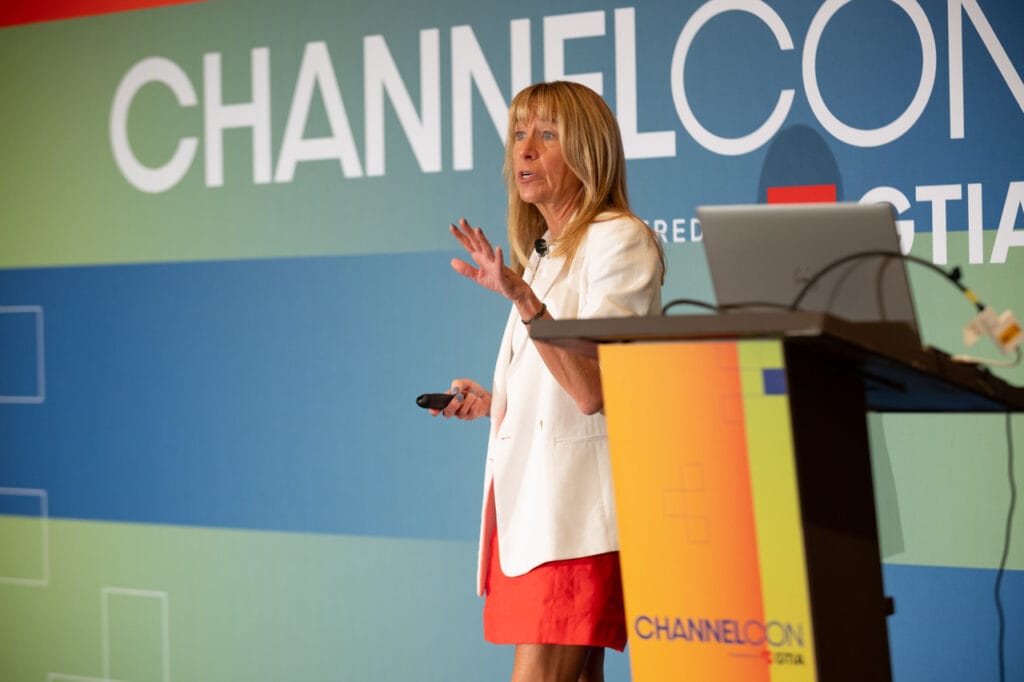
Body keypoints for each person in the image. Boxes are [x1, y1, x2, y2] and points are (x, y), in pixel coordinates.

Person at [434, 81, 664, 682]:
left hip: (575, 515)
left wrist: (526, 302)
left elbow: (593, 389)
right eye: (519, 134)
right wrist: (497, 403)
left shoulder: (620, 240)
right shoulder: (542, 253)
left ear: (588, 151)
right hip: (533, 512)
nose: (525, 150)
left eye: (546, 135)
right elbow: (557, 385)